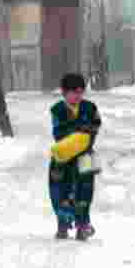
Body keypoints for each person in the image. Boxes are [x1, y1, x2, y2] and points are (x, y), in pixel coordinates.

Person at [49, 72, 102, 240]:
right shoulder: (57, 110)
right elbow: (58, 132)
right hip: (64, 154)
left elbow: (95, 125)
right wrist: (79, 128)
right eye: (74, 92)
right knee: (60, 189)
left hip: (86, 155)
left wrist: (87, 131)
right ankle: (63, 224)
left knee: (85, 190)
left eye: (81, 92)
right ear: (64, 92)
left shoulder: (90, 108)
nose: (78, 96)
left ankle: (82, 226)